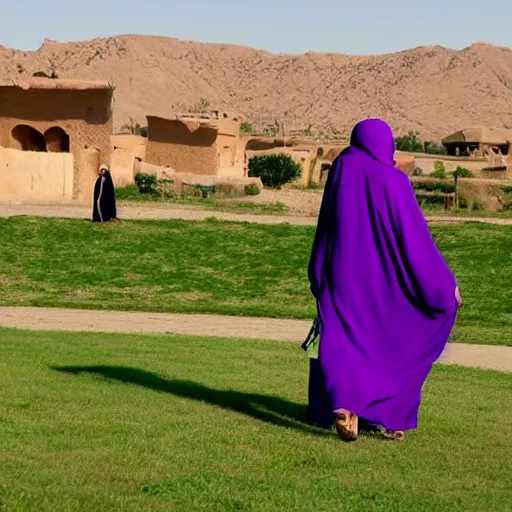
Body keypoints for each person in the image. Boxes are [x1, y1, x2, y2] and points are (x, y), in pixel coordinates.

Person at [307, 119, 462, 442]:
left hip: (340, 276)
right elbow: (415, 242)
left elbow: (325, 226)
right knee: (388, 344)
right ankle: (389, 414)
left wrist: (318, 269)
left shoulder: (341, 171)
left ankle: (344, 405)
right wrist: (445, 286)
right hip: (382, 284)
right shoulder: (394, 181)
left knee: (343, 338)